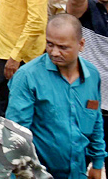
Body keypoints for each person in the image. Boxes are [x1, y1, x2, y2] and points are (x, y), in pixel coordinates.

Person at [6, 13, 104, 179]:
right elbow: (17, 135)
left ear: (81, 44)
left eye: (63, 47)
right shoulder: (28, 77)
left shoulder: (92, 76)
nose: (54, 52)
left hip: (77, 172)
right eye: (50, 44)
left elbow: (96, 120)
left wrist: (97, 161)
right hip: (38, 173)